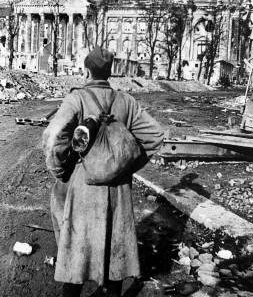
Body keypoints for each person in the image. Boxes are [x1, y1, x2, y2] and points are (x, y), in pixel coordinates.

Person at [42, 46, 164, 297]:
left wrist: (60, 170)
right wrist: (125, 164)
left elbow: (54, 136)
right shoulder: (126, 101)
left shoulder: (77, 98)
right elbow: (155, 136)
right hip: (119, 189)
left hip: (83, 186)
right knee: (115, 256)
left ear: (87, 71)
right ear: (109, 73)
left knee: (76, 254)